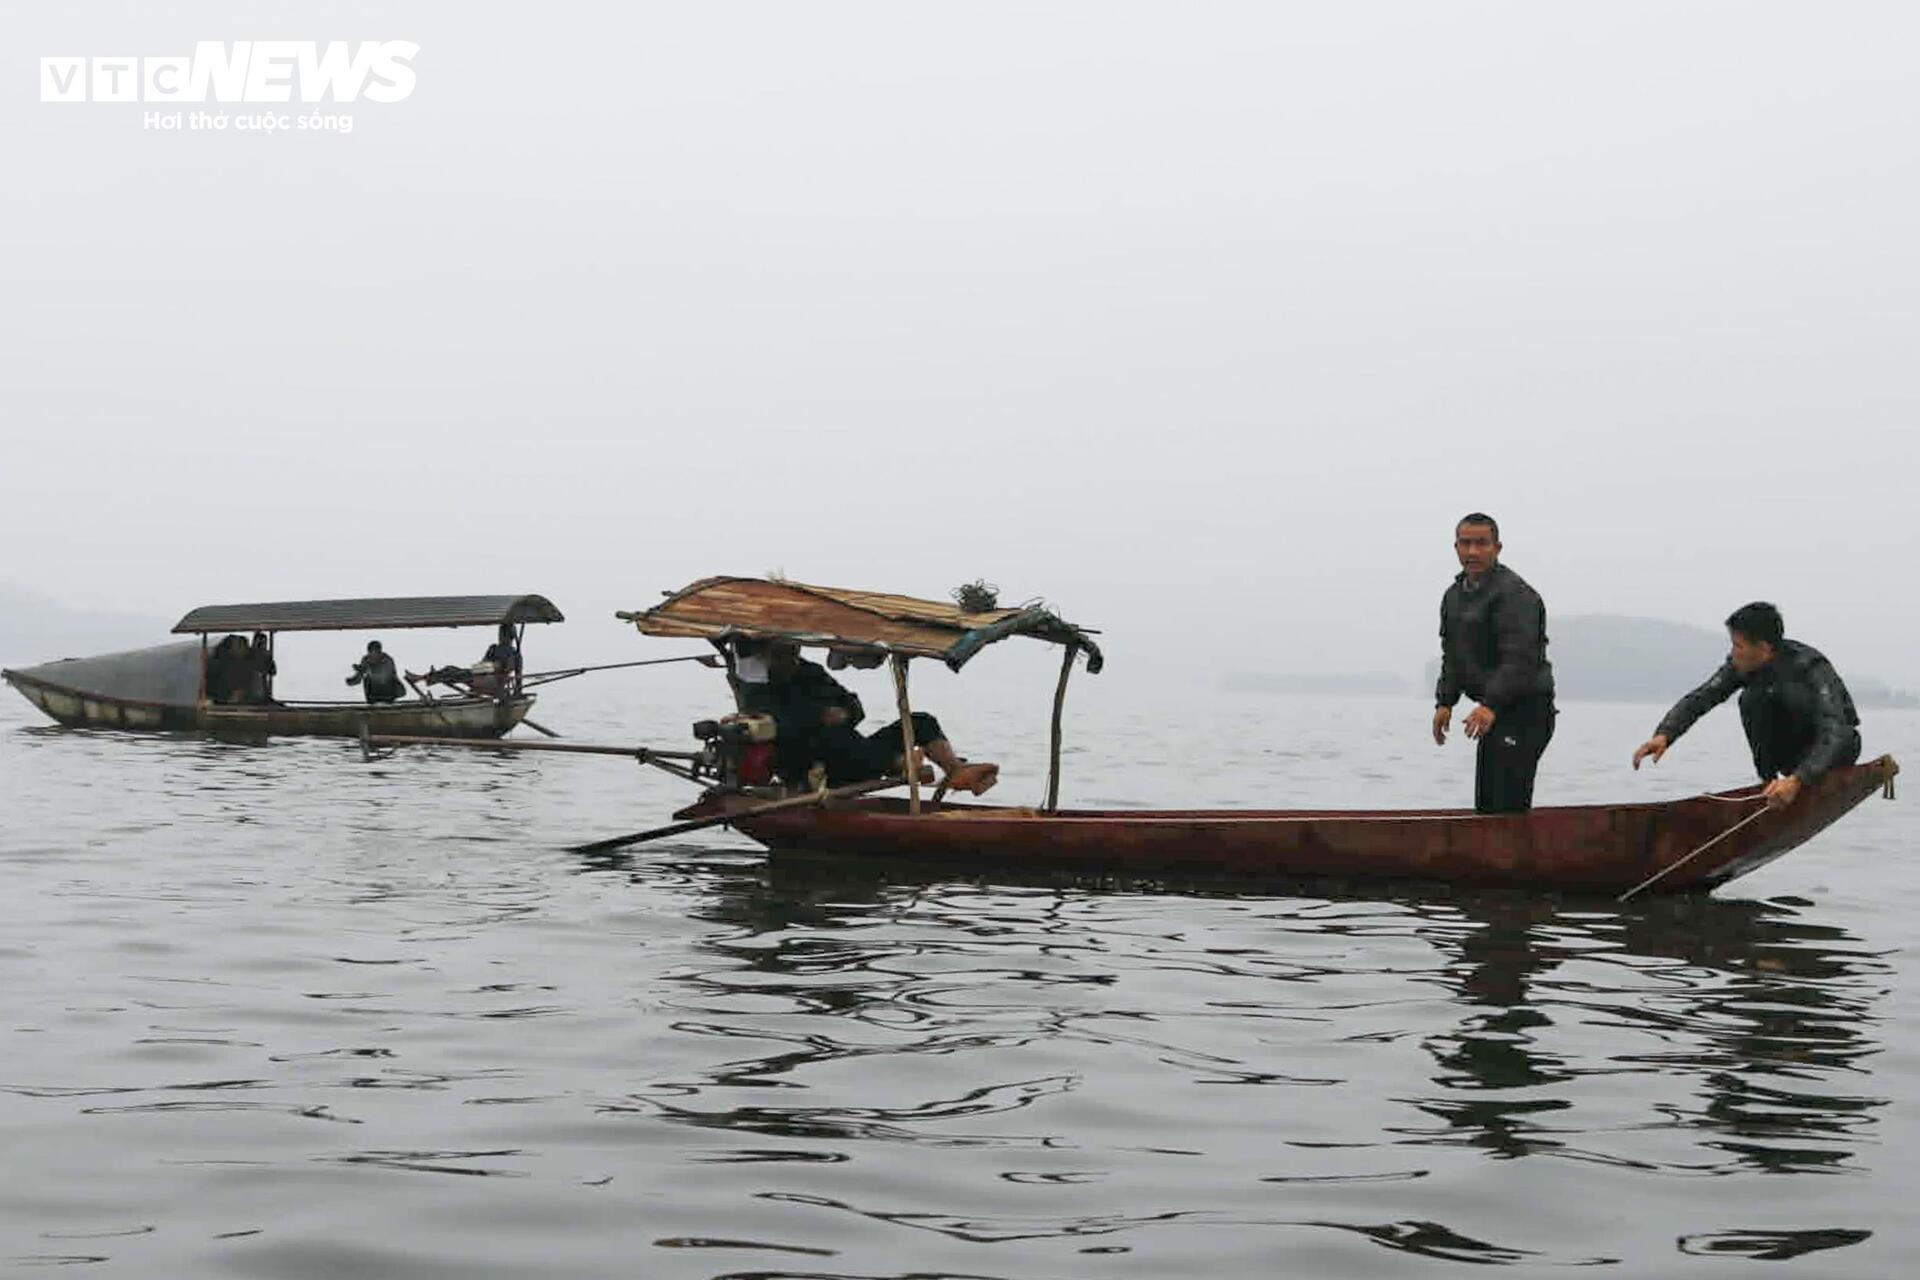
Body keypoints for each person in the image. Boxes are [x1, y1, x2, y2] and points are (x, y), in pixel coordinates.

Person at [1632, 602, 1861, 809]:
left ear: (1763, 647)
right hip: (1792, 756)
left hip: (1835, 750)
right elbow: (1702, 697)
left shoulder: (1810, 666)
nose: (1732, 653)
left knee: (1795, 700)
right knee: (1752, 699)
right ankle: (1768, 784)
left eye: (1738, 646)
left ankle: (1790, 783)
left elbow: (1836, 731)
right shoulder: (1742, 665)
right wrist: (1665, 735)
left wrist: (1799, 779)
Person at [736, 639, 998, 793]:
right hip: (814, 765)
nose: (791, 660)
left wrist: (844, 713)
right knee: (828, 737)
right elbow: (776, 727)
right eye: (781, 655)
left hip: (855, 752)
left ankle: (955, 770)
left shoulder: (810, 673)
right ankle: (900, 762)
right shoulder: (757, 688)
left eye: (794, 652)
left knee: (921, 722)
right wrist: (818, 718)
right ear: (766, 655)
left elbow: (853, 705)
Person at [1431, 512, 1556, 813]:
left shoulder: (1516, 594)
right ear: (1456, 547)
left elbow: (1520, 659)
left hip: (1526, 710)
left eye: (1481, 543)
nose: (1472, 551)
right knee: (1487, 806)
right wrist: (1445, 702)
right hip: (1493, 712)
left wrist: (1491, 704)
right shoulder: (1453, 597)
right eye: (1465, 543)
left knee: (1507, 806)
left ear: (1497, 548)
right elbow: (1452, 654)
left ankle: (1518, 844)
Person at [345, 640, 405, 704]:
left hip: (388, 696)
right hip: (372, 697)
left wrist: (367, 669)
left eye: (376, 652)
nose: (373, 655)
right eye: (371, 652)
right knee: (366, 678)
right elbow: (357, 680)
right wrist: (358, 674)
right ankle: (372, 701)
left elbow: (383, 678)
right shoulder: (366, 660)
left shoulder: (387, 660)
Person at [246, 632, 277, 704]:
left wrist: (269, 659)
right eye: (260, 642)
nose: (261, 645)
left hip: (263, 692)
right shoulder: (247, 655)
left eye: (264, 643)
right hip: (250, 692)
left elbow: (273, 672)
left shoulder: (265, 656)